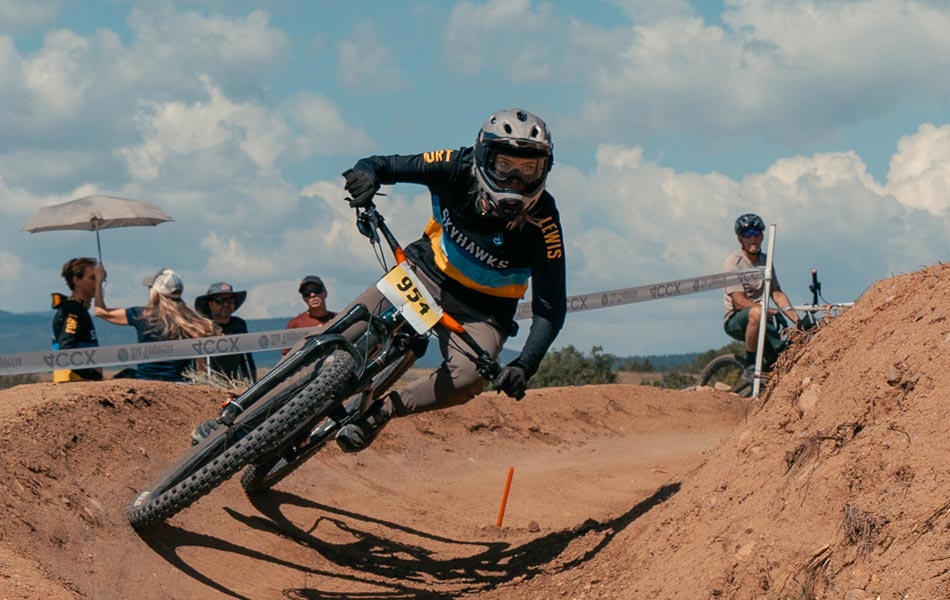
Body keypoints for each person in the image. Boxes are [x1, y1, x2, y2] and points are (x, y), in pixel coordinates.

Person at [328, 107, 567, 452]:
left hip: (481, 314)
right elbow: (380, 163)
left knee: (467, 381)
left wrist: (524, 365)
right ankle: (253, 402)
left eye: (529, 169)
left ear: (545, 169)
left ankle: (382, 412)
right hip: (424, 273)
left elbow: (550, 308)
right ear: (485, 158)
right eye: (505, 166)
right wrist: (365, 176)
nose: (516, 180)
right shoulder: (456, 165)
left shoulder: (545, 223)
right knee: (336, 334)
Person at [94, 266, 216, 382]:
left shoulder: (141, 315)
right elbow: (202, 367)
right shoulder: (192, 321)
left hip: (146, 383)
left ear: (155, 292)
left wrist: (99, 280)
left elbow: (100, 311)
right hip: (180, 386)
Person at [722, 213, 799, 373]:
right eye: (747, 234)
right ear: (740, 238)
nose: (752, 238)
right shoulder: (733, 263)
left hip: (763, 319)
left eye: (756, 233)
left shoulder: (765, 261)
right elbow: (739, 301)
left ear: (762, 236)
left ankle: (764, 385)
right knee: (757, 312)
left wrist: (797, 322)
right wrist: (765, 310)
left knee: (780, 355)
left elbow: (777, 294)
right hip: (737, 320)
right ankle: (750, 364)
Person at [51, 257, 103, 383]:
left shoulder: (78, 309)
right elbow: (66, 350)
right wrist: (93, 376)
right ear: (76, 280)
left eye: (99, 278)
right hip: (73, 382)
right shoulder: (73, 310)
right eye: (92, 278)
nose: (97, 283)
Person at [195, 282, 257, 383]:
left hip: (234, 383)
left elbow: (246, 358)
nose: (226, 305)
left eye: (230, 301)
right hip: (211, 384)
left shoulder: (239, 325)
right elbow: (199, 361)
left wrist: (252, 384)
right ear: (209, 304)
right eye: (219, 301)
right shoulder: (203, 326)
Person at [281, 276, 337, 356]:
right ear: (304, 298)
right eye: (307, 293)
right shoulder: (295, 324)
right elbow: (285, 355)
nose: (312, 295)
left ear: (325, 293)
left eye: (316, 290)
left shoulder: (338, 319)